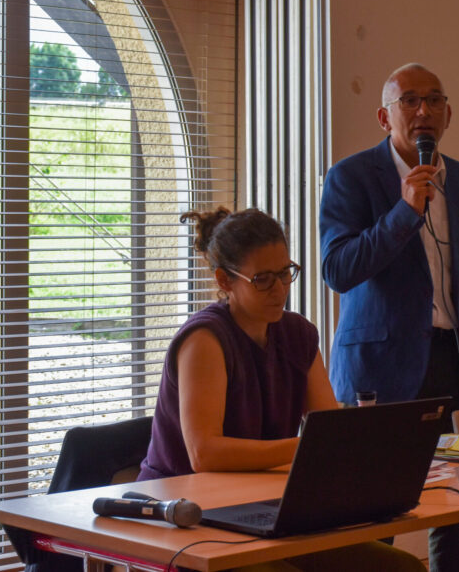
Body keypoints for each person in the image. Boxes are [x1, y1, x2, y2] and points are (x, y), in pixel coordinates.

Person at [319, 63, 459, 571]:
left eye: (433, 100)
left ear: (449, 113)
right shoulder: (351, 176)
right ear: (384, 117)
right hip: (381, 371)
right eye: (409, 100)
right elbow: (337, 270)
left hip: (456, 363)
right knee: (376, 516)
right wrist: (404, 212)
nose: (423, 111)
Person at [139, 207, 423, 572]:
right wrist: (307, 448)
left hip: (257, 511)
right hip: (185, 517)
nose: (280, 289)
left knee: (402, 569)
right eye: (263, 279)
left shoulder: (298, 335)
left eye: (286, 273)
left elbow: (329, 429)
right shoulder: (206, 338)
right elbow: (204, 453)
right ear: (225, 281)